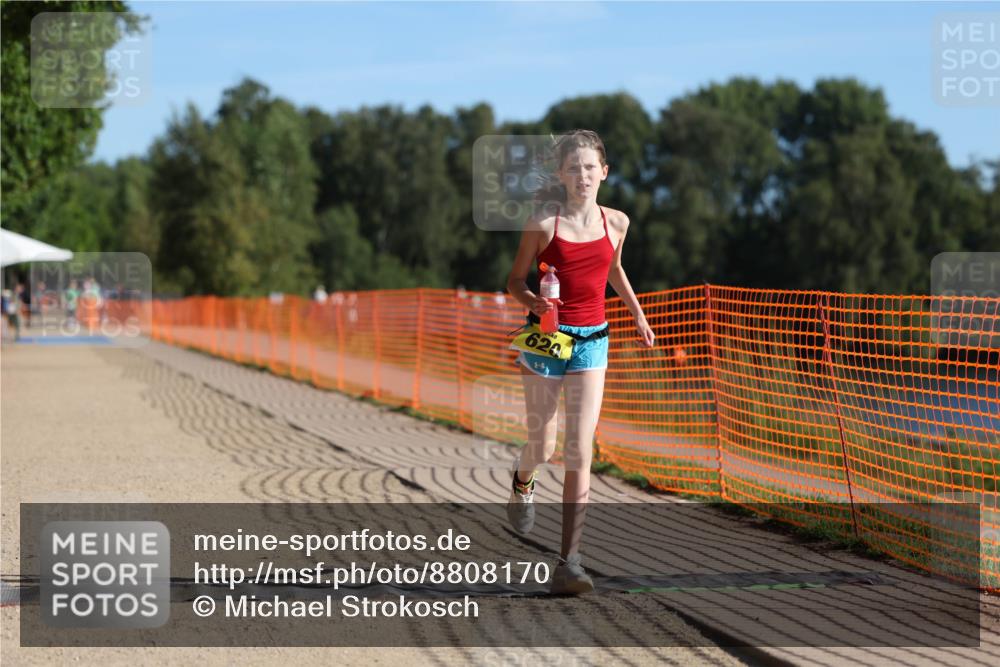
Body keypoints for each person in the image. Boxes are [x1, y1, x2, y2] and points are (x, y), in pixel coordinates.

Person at [505, 130, 655, 594]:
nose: (583, 175)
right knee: (544, 447)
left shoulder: (618, 223)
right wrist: (534, 302)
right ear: (561, 174)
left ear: (604, 172)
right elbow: (514, 281)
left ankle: (570, 562)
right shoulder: (543, 224)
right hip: (548, 341)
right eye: (574, 168)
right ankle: (523, 479)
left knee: (580, 449)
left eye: (591, 167)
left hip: (593, 342)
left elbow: (613, 268)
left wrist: (637, 314)